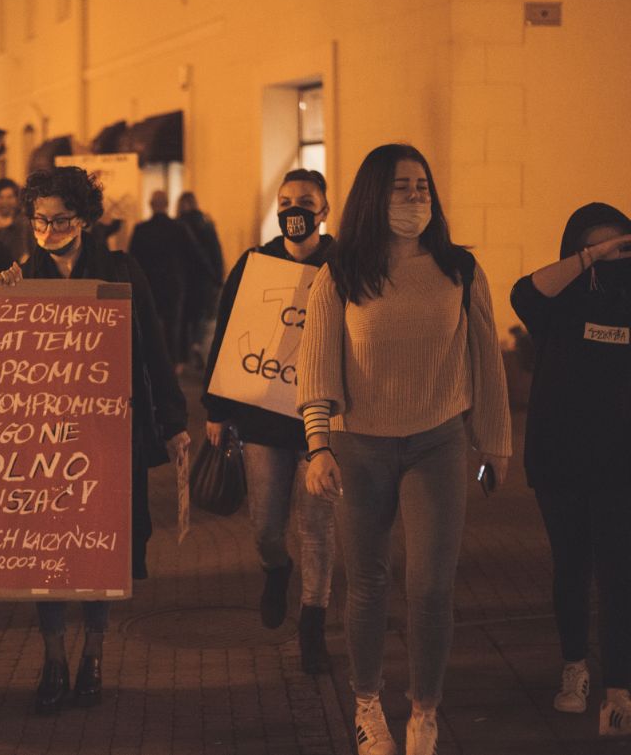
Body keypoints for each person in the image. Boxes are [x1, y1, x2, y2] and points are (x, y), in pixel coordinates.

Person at [297, 143, 511, 755]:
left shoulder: (459, 269)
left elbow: (485, 361)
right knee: (366, 581)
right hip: (358, 446)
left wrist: (495, 442)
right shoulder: (341, 273)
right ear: (372, 195)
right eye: (400, 187)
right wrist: (318, 447)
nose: (415, 197)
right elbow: (317, 366)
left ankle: (424, 711)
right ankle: (367, 705)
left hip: (437, 443)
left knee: (431, 586)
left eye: (422, 186)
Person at [0, 166, 189, 714]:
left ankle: (94, 656)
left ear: (83, 219)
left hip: (107, 435)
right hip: (41, 440)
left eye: (60, 219)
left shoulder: (122, 272)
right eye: (39, 219)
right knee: (47, 553)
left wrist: (173, 422)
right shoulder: (17, 279)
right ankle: (54, 656)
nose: (48, 229)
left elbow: (154, 347)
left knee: (100, 551)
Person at [202, 169, 336, 674]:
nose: (293, 209)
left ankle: (313, 628)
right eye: (285, 201)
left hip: (323, 421)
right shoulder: (256, 264)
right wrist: (216, 408)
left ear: (324, 210)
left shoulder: (343, 264)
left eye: (305, 200)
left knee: (317, 529)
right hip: (263, 417)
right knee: (265, 526)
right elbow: (229, 328)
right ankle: (275, 570)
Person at [510, 202, 631, 738]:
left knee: (619, 573)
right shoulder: (558, 304)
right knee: (571, 568)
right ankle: (574, 667)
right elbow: (522, 293)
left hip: (620, 462)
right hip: (559, 458)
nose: (609, 259)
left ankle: (619, 689)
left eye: (619, 247)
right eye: (596, 247)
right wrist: (590, 259)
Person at [129, 190, 205, 369]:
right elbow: (196, 255)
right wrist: (213, 277)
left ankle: (152, 362)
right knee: (174, 325)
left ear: (151, 204)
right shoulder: (179, 228)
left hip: (149, 284)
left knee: (149, 323)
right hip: (174, 284)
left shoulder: (141, 230)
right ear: (167, 204)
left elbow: (132, 260)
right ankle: (174, 363)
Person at [177, 191, 224, 367]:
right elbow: (216, 251)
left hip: (184, 278)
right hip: (204, 279)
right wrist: (218, 276)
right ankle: (197, 344)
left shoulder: (178, 225)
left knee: (184, 317)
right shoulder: (206, 223)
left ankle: (183, 355)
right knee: (201, 315)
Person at [0, 177, 31, 264]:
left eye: (9, 197)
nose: (5, 202)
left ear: (16, 200)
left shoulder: (24, 225)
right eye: (0, 197)